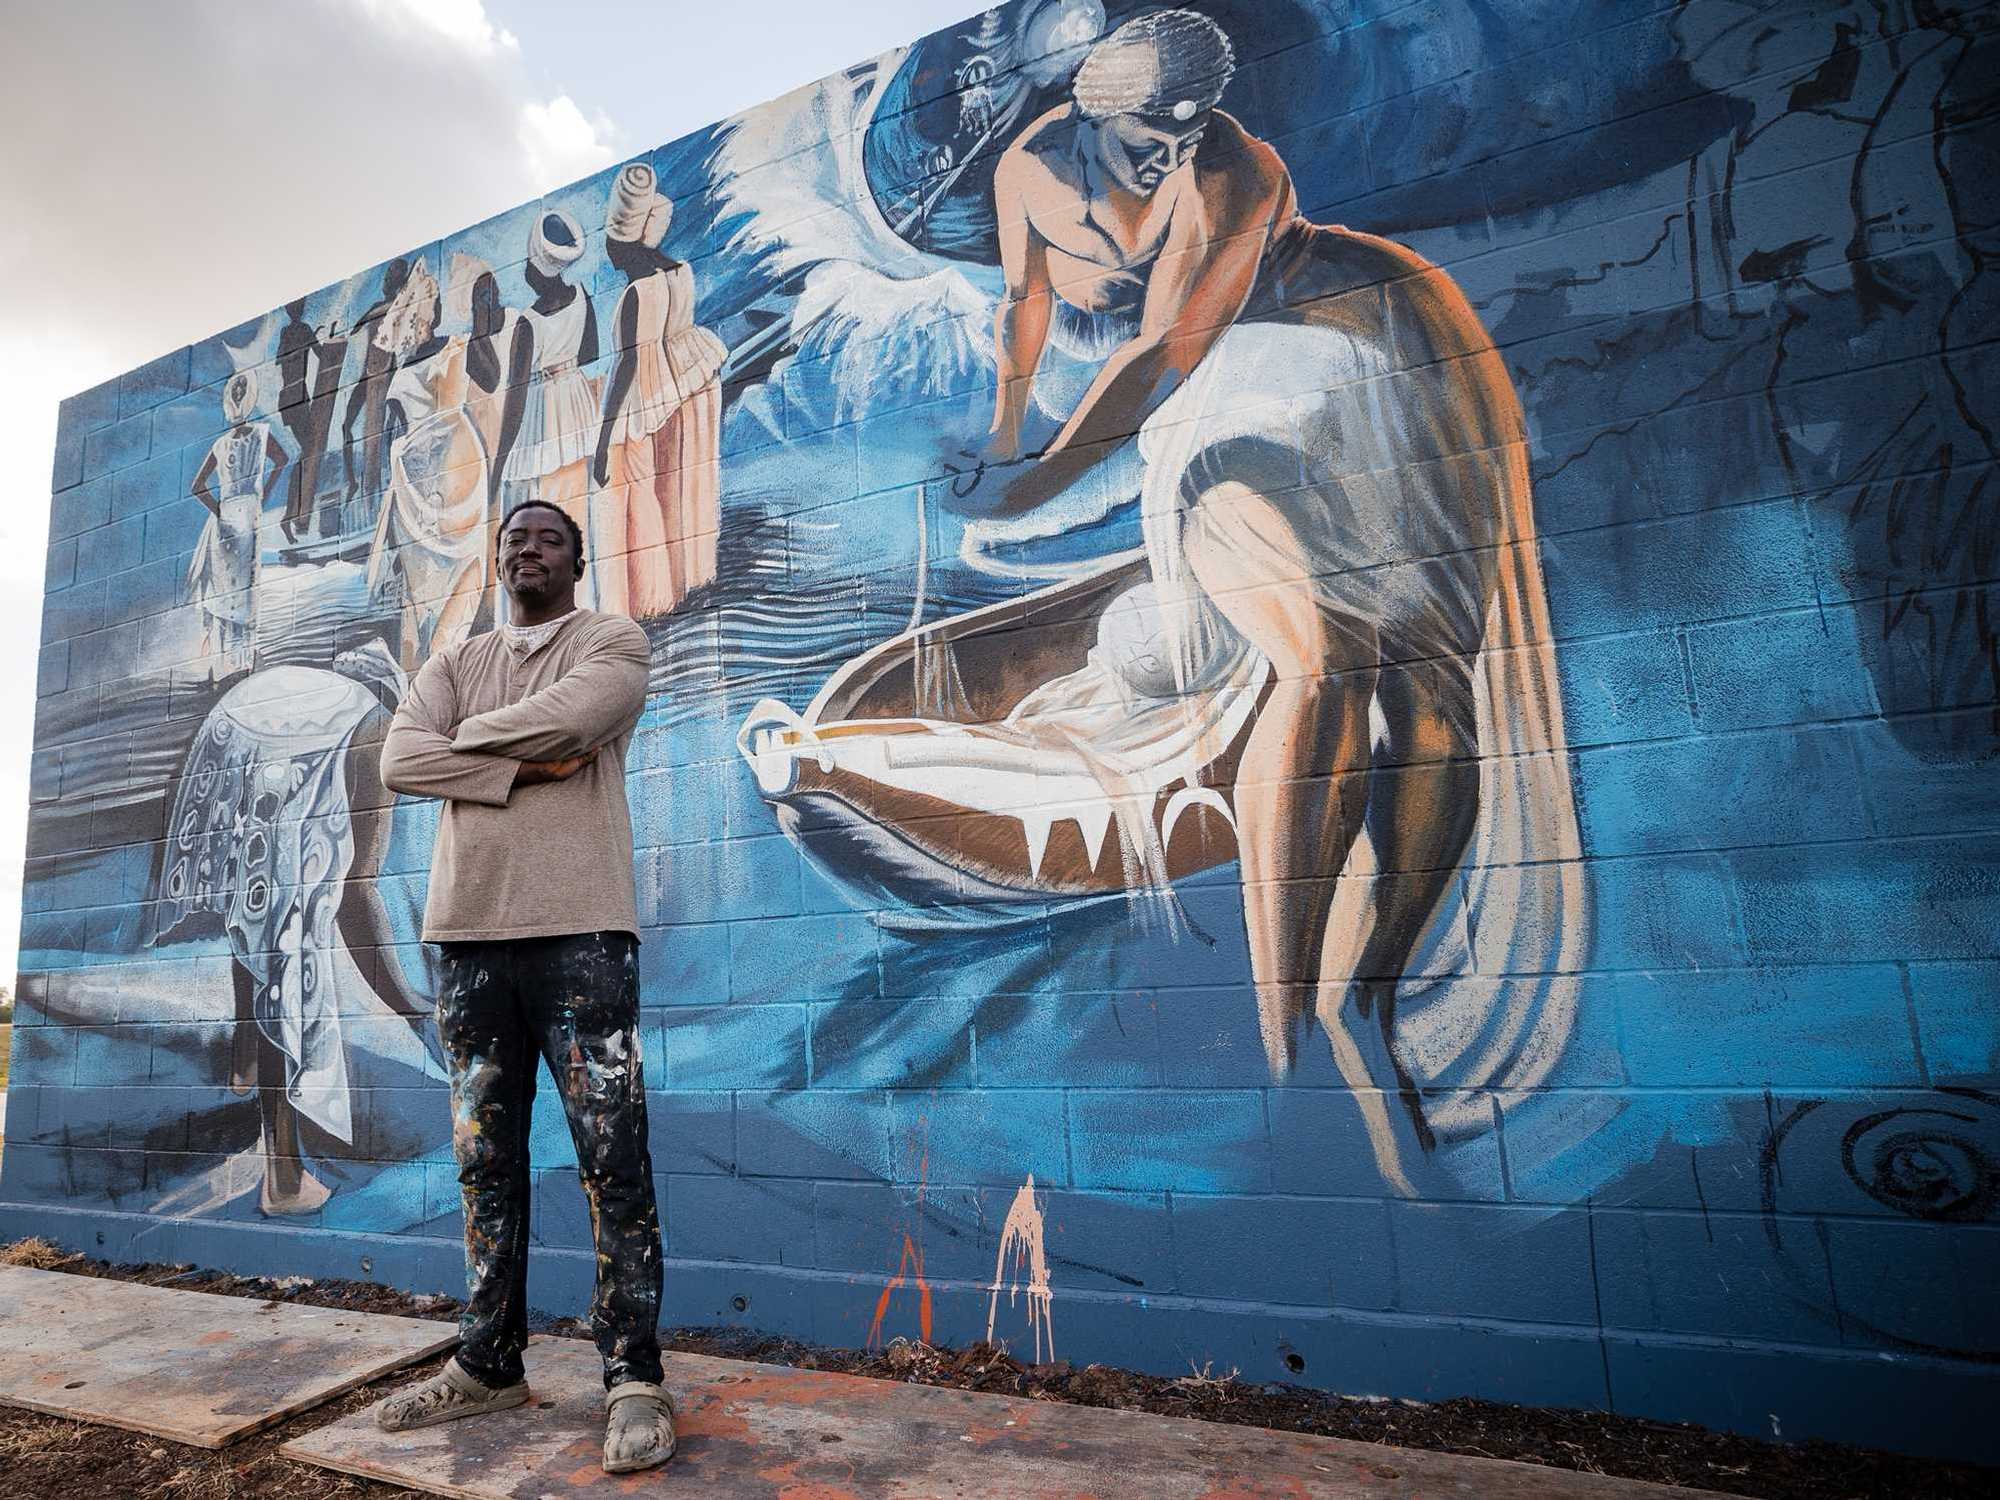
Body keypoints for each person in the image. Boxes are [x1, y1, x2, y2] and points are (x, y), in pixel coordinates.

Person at [967, 9, 1588, 1189]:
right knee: (1317, 663)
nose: (1165, 158)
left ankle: (1372, 985)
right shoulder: (1030, 168)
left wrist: (1038, 475)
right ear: (1093, 116)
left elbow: (1173, 347)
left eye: (1183, 133)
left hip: (1344, 349)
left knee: (1427, 680)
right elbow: (1023, 306)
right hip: (1233, 420)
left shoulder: (1236, 167)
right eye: (1146, 138)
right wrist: (1002, 436)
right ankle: (1283, 1038)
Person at [373, 500, 672, 1474]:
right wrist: (524, 761)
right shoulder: (452, 663)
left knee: (610, 1159)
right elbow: (397, 758)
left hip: (581, 931)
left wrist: (466, 746)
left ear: (576, 558)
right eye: (511, 539)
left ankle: (632, 1378)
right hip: (465, 939)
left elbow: (580, 719)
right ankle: (488, 1362)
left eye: (545, 537)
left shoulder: (610, 640)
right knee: (482, 1164)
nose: (524, 549)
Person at [592, 162, 726, 618]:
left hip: (646, 398)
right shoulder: (680, 270)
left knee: (638, 499)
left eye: (610, 243)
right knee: (684, 483)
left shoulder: (636, 293)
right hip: (688, 378)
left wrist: (603, 436)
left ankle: (650, 599)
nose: (607, 254)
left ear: (624, 240)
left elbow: (630, 363)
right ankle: (689, 579)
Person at [492, 211, 601, 606]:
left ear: (537, 268)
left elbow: (516, 395)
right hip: (575, 401)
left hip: (544, 412)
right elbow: (591, 351)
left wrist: (498, 462)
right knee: (576, 506)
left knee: (542, 500)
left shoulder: (528, 322)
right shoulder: (583, 297)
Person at [187, 370, 287, 678]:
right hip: (247, 512)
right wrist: (262, 495)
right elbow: (281, 461)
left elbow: (197, 487)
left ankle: (227, 663)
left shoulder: (221, 444)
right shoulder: (261, 433)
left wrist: (219, 509)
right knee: (246, 589)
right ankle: (242, 661)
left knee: (228, 592)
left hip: (228, 516)